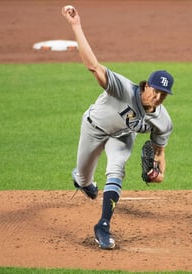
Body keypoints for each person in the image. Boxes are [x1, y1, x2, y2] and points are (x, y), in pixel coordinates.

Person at [62, 5, 174, 250]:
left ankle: (103, 225)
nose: (157, 97)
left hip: (121, 137)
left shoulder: (163, 120)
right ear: (146, 86)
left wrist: (160, 174)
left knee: (117, 169)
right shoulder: (122, 88)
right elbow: (94, 66)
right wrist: (76, 26)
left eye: (163, 94)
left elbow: (159, 152)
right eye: (155, 90)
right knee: (83, 178)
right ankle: (82, 182)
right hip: (93, 128)